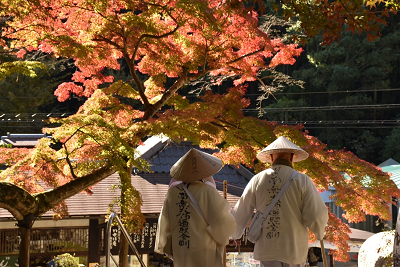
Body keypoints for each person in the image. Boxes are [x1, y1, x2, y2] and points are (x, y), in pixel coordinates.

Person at [231, 136, 329, 267]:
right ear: (292, 157)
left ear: (271, 157)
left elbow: (240, 212)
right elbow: (317, 215)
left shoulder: (257, 179)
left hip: (266, 249)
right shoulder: (302, 180)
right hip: (293, 249)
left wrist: (233, 234)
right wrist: (319, 231)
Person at [155, 148, 236, 267]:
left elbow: (164, 223)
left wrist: (165, 246)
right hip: (204, 253)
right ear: (204, 172)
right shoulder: (208, 191)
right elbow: (222, 224)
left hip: (181, 252)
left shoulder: (172, 193)